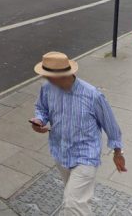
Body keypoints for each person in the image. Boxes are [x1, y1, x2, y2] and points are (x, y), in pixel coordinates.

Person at [29, 51, 126, 216]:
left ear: (63, 75)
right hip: (60, 152)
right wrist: (39, 120)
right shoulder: (47, 88)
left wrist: (117, 152)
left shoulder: (92, 95)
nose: (45, 79)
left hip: (85, 155)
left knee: (73, 204)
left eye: (48, 76)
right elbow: (41, 108)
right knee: (76, 200)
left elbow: (111, 125)